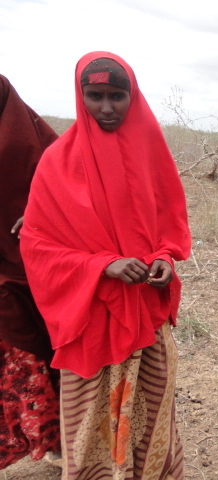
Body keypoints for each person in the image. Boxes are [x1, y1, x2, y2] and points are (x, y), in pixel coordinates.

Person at [20, 52, 191, 480]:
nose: (107, 107)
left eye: (118, 96)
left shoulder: (152, 153)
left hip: (146, 320)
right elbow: (38, 244)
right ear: (80, 97)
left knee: (152, 422)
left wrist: (165, 259)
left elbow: (170, 226)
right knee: (90, 433)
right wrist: (102, 266)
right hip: (92, 322)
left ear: (134, 96)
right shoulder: (57, 162)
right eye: (95, 96)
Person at [0, 74, 62, 470]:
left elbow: (74, 188)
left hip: (48, 266)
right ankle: (41, 440)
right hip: (4, 278)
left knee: (57, 353)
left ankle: (65, 442)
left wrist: (44, 215)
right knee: (22, 359)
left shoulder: (38, 140)